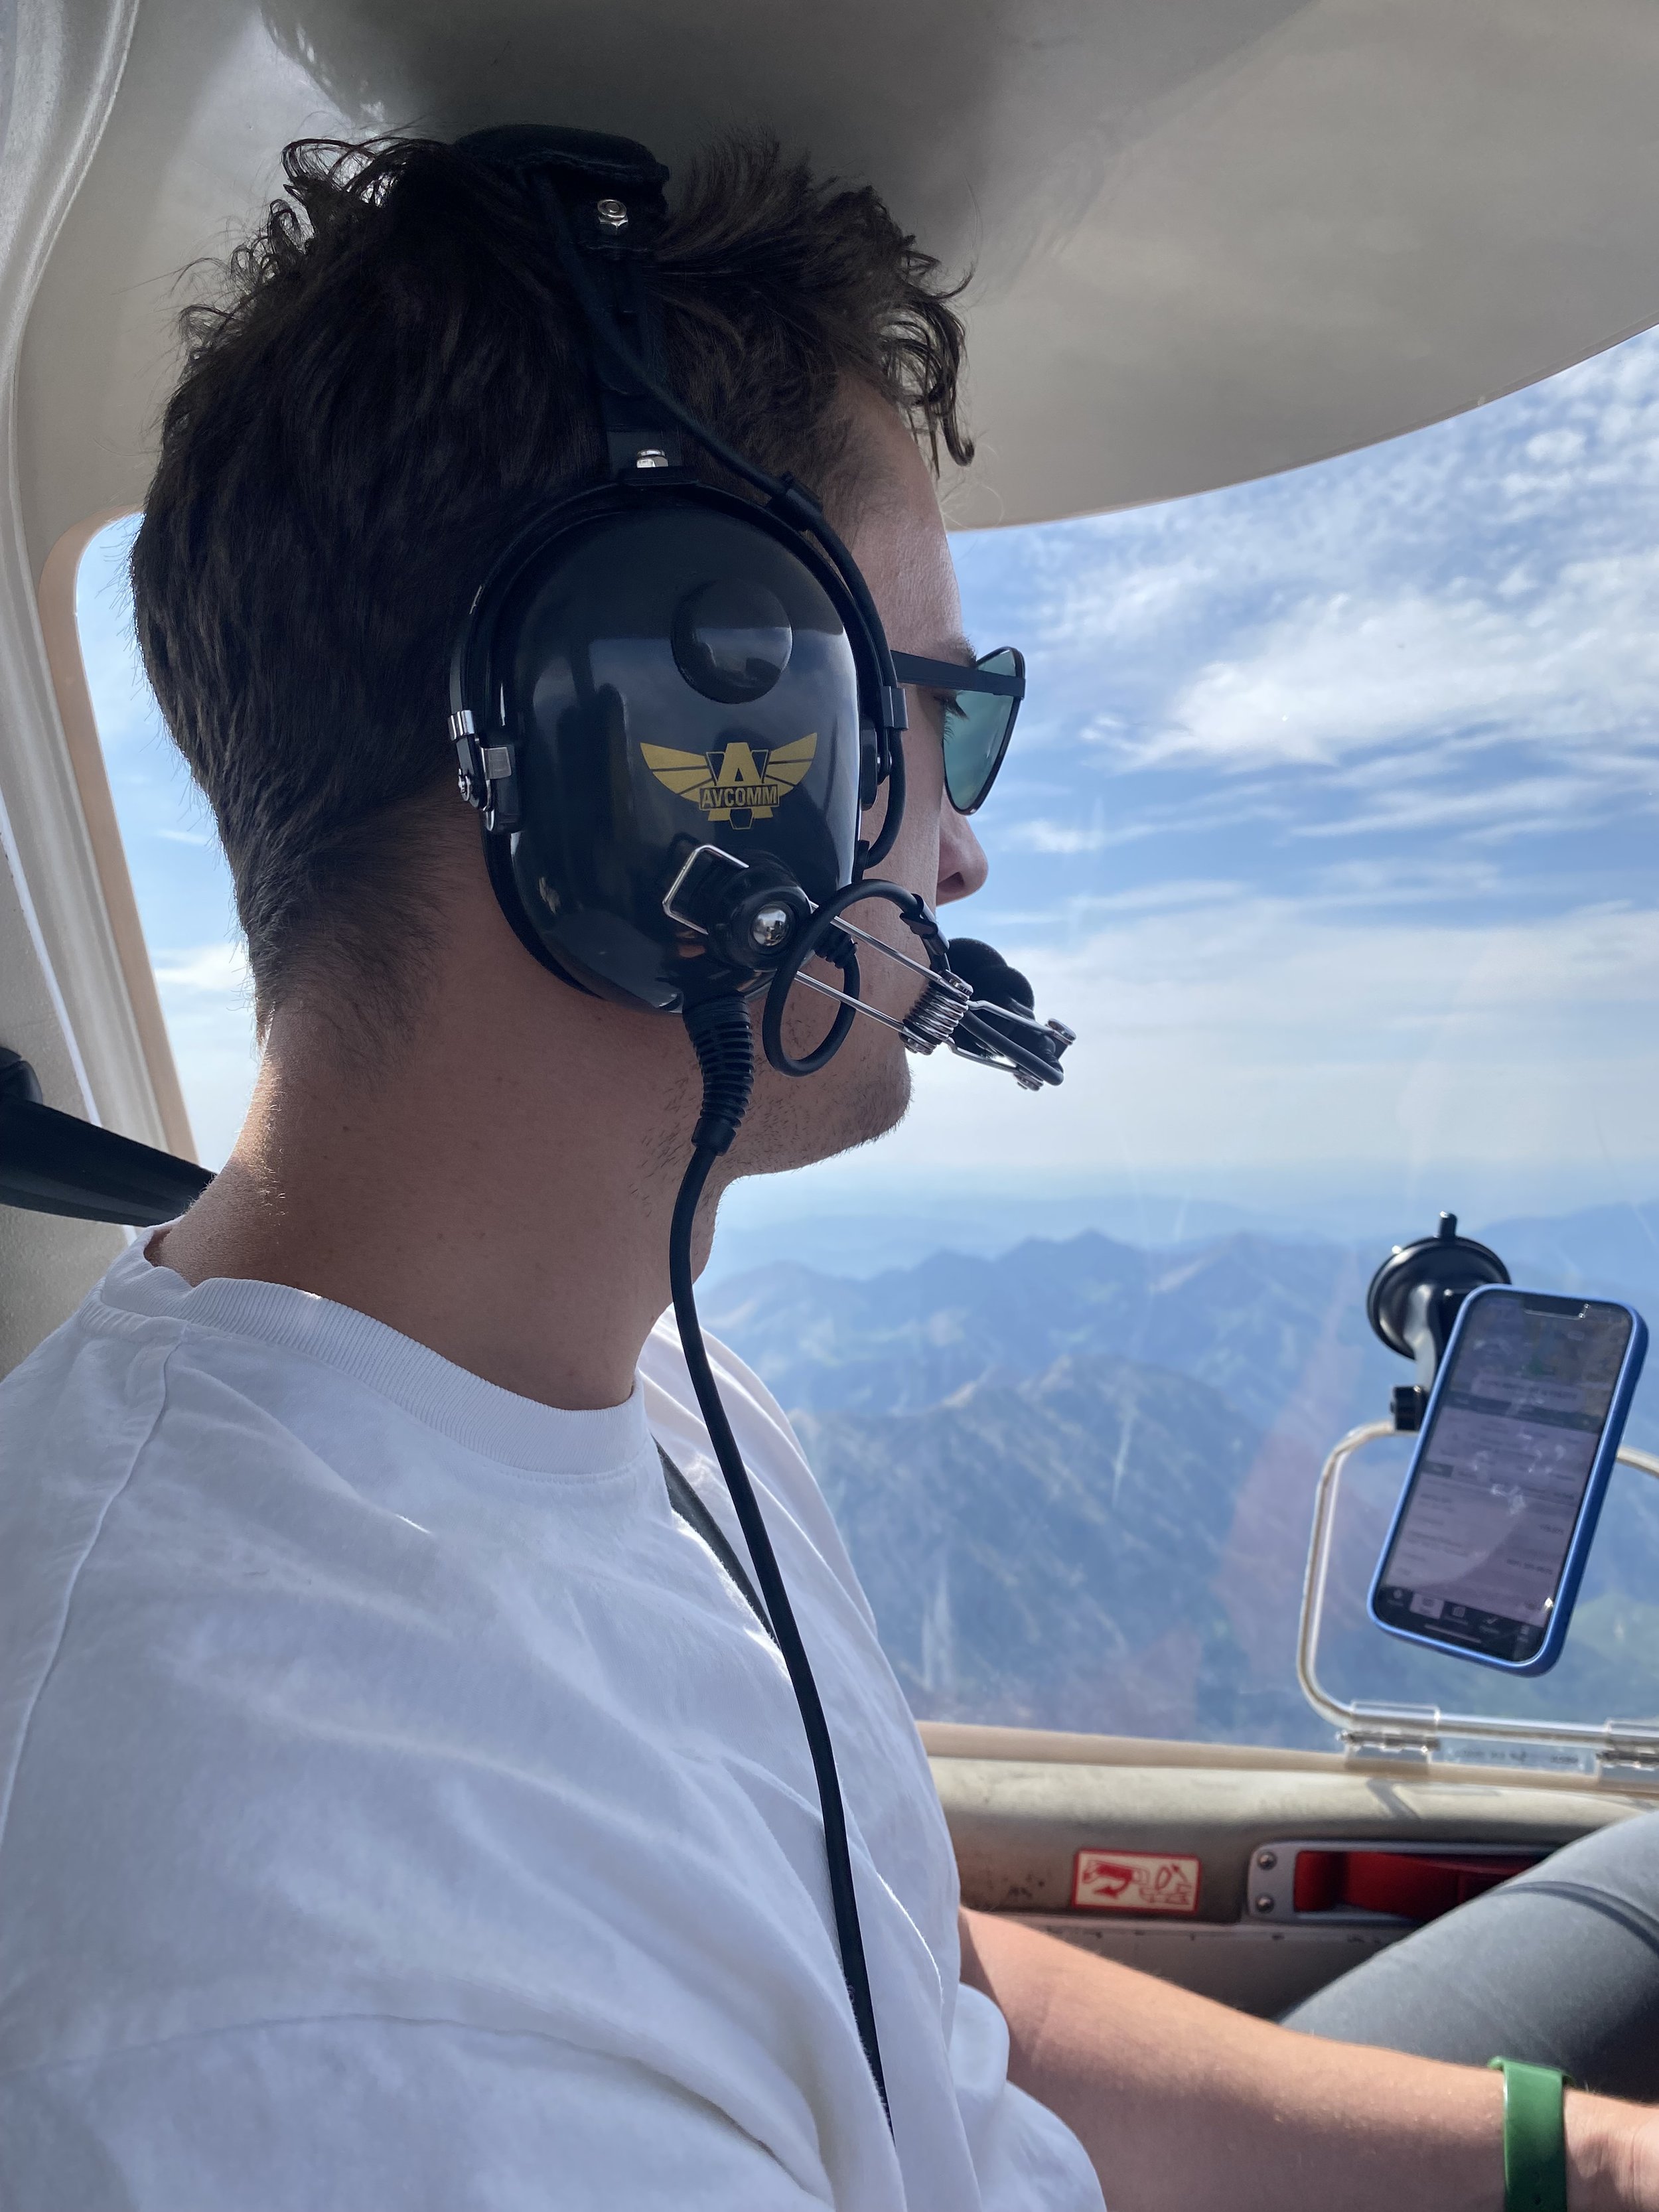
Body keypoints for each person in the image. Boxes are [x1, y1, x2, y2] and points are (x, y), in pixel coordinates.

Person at [0, 126, 1654, 2211]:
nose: (962, 852)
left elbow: (929, 2013)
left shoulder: (632, 1383)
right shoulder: (316, 2018)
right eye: (940, 721)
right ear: (665, 762)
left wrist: (1582, 2170)